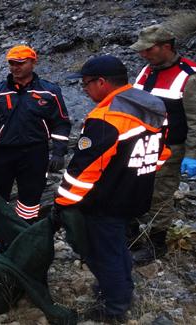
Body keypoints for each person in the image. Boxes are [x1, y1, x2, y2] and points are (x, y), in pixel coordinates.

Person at [55, 55, 170, 323]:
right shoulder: (152, 106)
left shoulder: (106, 117)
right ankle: (123, 287)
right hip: (137, 193)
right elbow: (162, 152)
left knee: (103, 252)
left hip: (107, 200)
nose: (84, 89)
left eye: (86, 83)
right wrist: (136, 174)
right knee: (117, 246)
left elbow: (85, 170)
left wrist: (62, 203)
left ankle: (114, 307)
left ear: (102, 82)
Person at [0, 45, 71, 222]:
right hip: (3, 152)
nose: (15, 67)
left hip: (35, 152)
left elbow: (61, 123)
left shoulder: (49, 92)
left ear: (33, 62)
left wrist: (58, 152)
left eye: (20, 63)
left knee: (31, 197)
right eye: (11, 63)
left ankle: (25, 230)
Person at [129, 24, 196, 264]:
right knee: (134, 188)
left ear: (166, 47)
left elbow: (194, 120)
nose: (142, 54)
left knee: (160, 195)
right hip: (141, 143)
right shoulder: (147, 70)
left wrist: (192, 154)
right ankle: (131, 236)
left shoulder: (188, 76)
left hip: (169, 148)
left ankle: (156, 245)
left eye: (148, 50)